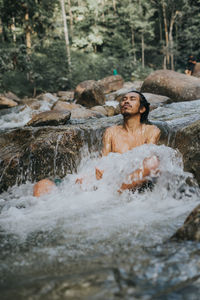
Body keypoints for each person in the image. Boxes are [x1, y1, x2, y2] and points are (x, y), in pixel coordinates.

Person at [33, 91, 160, 197]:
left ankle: (114, 193)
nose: (126, 101)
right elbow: (104, 161)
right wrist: (90, 176)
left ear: (142, 108)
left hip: (131, 180)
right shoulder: (111, 131)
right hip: (110, 179)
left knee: (152, 162)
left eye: (132, 99)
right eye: (124, 99)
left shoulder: (151, 130)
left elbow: (148, 159)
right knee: (43, 184)